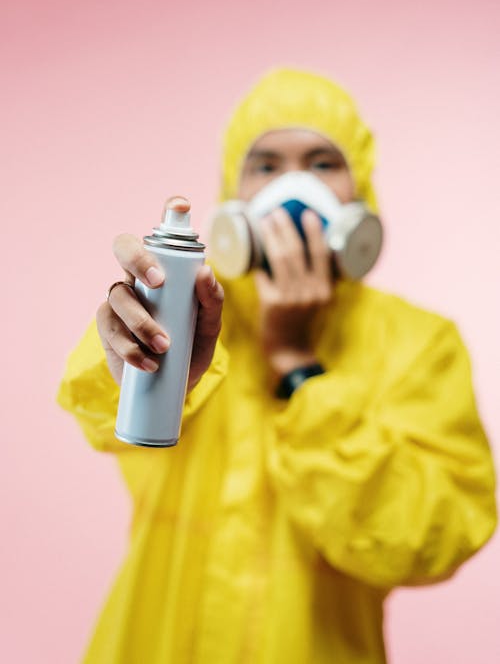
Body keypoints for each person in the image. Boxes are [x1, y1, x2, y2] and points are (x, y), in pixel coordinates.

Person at [58, 68, 497, 664]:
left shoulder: (420, 344)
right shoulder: (189, 314)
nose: (293, 187)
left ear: (360, 189)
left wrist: (298, 365)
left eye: (322, 164)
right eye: (265, 166)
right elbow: (100, 414)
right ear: (233, 195)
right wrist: (139, 358)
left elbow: (431, 539)